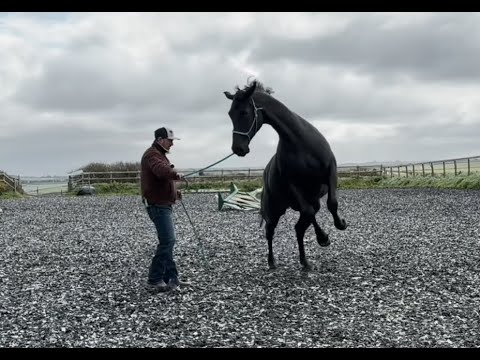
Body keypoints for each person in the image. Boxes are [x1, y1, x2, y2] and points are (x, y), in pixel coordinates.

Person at [141, 126, 190, 293]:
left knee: (168, 242)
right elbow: (161, 172)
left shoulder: (159, 155)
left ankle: (172, 279)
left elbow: (161, 179)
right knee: (168, 241)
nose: (172, 144)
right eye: (170, 141)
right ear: (160, 140)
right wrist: (176, 174)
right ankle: (154, 279)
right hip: (157, 205)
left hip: (163, 204)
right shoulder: (152, 155)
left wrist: (175, 192)